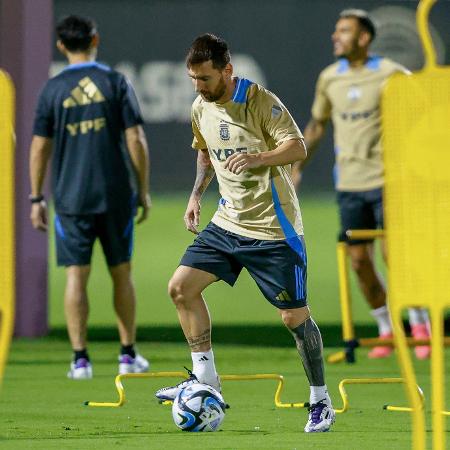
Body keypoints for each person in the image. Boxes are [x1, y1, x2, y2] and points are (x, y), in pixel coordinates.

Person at [155, 33, 335, 433]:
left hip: (273, 229)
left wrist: (259, 157)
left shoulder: (261, 102)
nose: (199, 87)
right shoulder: (201, 107)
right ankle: (206, 381)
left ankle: (320, 400)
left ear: (227, 71)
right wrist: (196, 195)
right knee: (181, 288)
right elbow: (204, 150)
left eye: (205, 78)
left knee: (293, 317)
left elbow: (298, 147)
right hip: (226, 223)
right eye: (193, 79)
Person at [292, 9, 431, 359]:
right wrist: (296, 167)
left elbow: (422, 120)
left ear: (364, 38)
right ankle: (386, 329)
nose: (335, 37)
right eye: (336, 30)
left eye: (344, 31)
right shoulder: (329, 78)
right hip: (350, 184)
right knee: (358, 261)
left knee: (394, 255)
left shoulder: (391, 74)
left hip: (390, 182)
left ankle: (420, 325)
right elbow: (317, 125)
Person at [29, 15, 151, 379]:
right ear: (95, 39)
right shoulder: (115, 81)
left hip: (71, 199)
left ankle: (80, 360)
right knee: (122, 274)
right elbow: (136, 139)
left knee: (75, 278)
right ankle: (127, 356)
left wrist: (37, 197)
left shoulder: (52, 90)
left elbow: (39, 148)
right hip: (114, 195)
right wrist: (142, 189)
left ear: (61, 46)